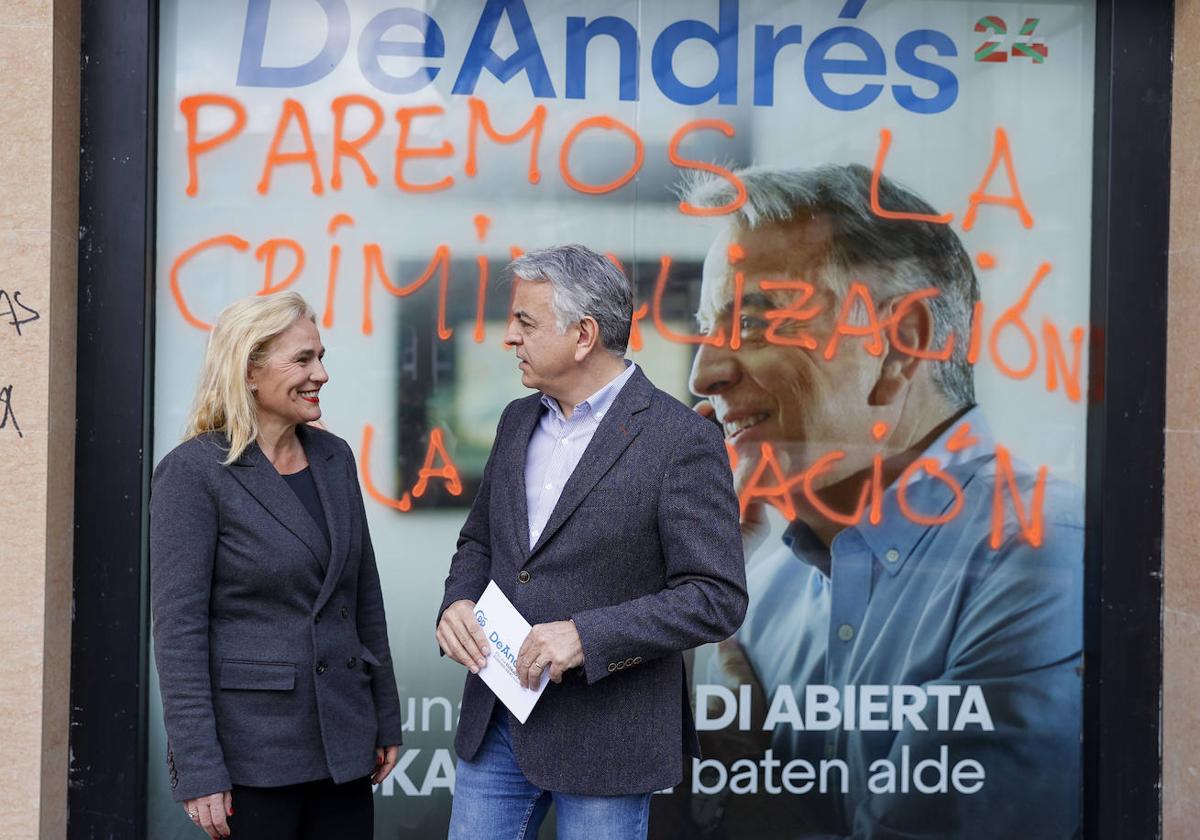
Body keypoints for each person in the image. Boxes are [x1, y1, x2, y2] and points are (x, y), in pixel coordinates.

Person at [682, 165, 1083, 838]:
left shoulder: (1043, 554)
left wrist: (720, 792)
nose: (705, 374)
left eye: (755, 319)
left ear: (900, 346)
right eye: (708, 329)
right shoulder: (756, 579)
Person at [436, 244, 748, 839]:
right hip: (497, 721)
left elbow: (716, 596)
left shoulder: (680, 439)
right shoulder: (514, 421)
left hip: (609, 737)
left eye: (526, 322)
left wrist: (586, 636)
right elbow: (479, 541)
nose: (509, 337)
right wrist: (457, 602)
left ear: (583, 335)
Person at [150, 291, 403, 840]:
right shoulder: (193, 474)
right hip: (252, 758)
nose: (322, 374)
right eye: (303, 360)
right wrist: (199, 768)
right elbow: (179, 633)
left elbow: (363, 599)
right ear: (249, 371)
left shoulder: (334, 457)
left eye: (321, 356)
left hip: (343, 744)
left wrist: (384, 715)